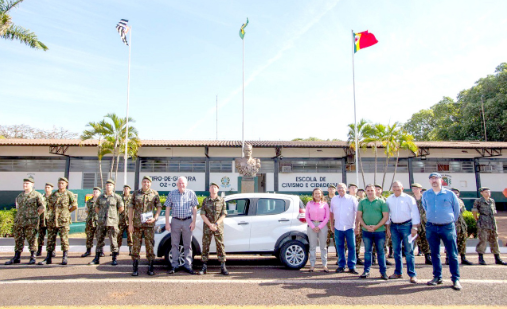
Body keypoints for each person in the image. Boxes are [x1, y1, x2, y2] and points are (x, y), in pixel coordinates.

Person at [422, 172, 462, 290]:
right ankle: (437, 277)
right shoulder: (426, 194)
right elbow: (425, 207)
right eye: (432, 179)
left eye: (436, 178)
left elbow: (456, 210)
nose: (434, 180)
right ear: (429, 181)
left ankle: (455, 279)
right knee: (434, 253)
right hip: (432, 226)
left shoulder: (449, 194)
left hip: (447, 227)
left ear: (441, 180)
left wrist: (449, 220)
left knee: (452, 254)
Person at [5, 177, 45, 265]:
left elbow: (42, 207)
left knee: (32, 239)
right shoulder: (20, 196)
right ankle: (17, 257)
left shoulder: (36, 195)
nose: (25, 185)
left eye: (27, 183)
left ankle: (33, 257)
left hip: (31, 222)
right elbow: (18, 207)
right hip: (20, 221)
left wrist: (35, 215)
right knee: (18, 239)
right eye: (24, 183)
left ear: (32, 185)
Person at [386, 181, 420, 283]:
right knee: (396, 251)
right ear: (392, 188)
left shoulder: (409, 198)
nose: (396, 188)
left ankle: (412, 274)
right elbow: (388, 214)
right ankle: (398, 272)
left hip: (407, 226)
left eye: (398, 186)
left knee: (409, 252)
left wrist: (414, 227)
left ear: (402, 188)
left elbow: (415, 212)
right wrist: (387, 227)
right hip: (394, 226)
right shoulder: (389, 199)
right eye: (394, 186)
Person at [38, 177, 77, 266]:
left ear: (66, 184)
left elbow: (74, 205)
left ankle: (65, 257)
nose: (60, 185)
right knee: (50, 239)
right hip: (53, 220)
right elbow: (49, 206)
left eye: (62, 183)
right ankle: (48, 258)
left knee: (64, 239)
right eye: (59, 183)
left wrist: (67, 212)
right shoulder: (54, 194)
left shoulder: (69, 194)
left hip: (63, 220)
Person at [128, 176, 162, 276]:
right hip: (137, 225)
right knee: (136, 247)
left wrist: (155, 218)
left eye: (148, 182)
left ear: (150, 184)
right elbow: (131, 209)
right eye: (144, 182)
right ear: (141, 183)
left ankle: (150, 268)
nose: (146, 184)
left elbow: (159, 207)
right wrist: (130, 224)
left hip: (149, 225)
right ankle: (135, 269)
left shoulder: (154, 194)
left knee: (150, 246)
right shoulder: (135, 193)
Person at [165, 176, 199, 275]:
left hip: (188, 221)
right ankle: (174, 265)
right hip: (175, 221)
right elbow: (167, 208)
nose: (181, 185)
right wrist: (167, 223)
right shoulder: (172, 193)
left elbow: (195, 208)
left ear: (186, 184)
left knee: (188, 245)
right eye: (180, 183)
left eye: (183, 183)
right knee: (174, 244)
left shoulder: (191, 193)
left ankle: (188, 265)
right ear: (177, 184)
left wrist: (193, 222)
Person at [357, 184, 389, 280]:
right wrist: (365, 226)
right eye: (368, 190)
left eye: (372, 190)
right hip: (366, 231)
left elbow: (385, 217)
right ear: (366, 191)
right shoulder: (362, 202)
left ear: (375, 191)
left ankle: (383, 272)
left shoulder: (382, 202)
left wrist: (376, 227)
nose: (370, 192)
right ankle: (366, 271)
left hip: (379, 231)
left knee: (380, 252)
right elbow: (359, 216)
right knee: (367, 252)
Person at [89, 179, 124, 266]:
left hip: (112, 222)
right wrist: (101, 215)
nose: (108, 186)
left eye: (110, 185)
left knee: (113, 240)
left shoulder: (117, 197)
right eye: (107, 185)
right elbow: (96, 208)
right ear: (105, 186)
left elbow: (121, 208)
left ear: (113, 187)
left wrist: (113, 216)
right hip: (101, 222)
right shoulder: (100, 197)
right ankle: (97, 258)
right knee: (99, 240)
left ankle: (114, 258)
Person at [199, 183, 228, 275]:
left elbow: (223, 214)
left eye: (215, 187)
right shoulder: (205, 200)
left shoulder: (222, 200)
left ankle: (223, 266)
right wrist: (210, 224)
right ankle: (204, 267)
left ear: (218, 190)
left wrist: (215, 224)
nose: (213, 189)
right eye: (212, 187)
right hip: (207, 226)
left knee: (220, 245)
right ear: (209, 190)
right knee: (205, 245)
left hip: (218, 227)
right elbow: (202, 214)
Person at [473, 187, 507, 266]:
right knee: (483, 240)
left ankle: (497, 258)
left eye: (489, 192)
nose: (488, 194)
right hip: (483, 222)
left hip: (492, 222)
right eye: (486, 192)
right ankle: (481, 258)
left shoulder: (492, 201)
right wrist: (477, 219)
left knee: (494, 240)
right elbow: (474, 211)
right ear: (482, 193)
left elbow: (494, 211)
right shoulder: (478, 201)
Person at [330, 183, 358, 274]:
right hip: (338, 227)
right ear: (337, 190)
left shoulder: (352, 199)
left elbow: (358, 213)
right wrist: (331, 224)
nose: (340, 189)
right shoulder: (334, 199)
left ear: (346, 189)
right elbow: (331, 213)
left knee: (351, 247)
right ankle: (341, 266)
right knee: (339, 247)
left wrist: (357, 226)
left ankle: (352, 266)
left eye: (342, 188)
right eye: (338, 188)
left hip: (350, 227)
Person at [306, 188, 330, 272]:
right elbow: (307, 216)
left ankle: (324, 265)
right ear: (313, 195)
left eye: (319, 193)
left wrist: (319, 226)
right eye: (315, 193)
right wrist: (313, 226)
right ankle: (312, 265)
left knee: (323, 247)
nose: (317, 195)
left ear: (321, 194)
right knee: (312, 247)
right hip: (312, 225)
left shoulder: (325, 204)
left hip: (322, 226)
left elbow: (327, 217)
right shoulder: (309, 204)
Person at [450, 188, 473, 265]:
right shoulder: (447, 201)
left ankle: (463, 258)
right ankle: (448, 258)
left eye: (457, 193)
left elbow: (463, 211)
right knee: (451, 241)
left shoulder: (460, 201)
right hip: (452, 223)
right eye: (454, 193)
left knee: (462, 240)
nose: (456, 194)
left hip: (461, 223)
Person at [411, 183, 432, 265]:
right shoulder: (411, 199)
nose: (414, 190)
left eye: (416, 188)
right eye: (413, 188)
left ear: (420, 189)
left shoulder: (425, 199)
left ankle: (427, 257)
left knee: (426, 240)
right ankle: (410, 259)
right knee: (412, 240)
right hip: (414, 222)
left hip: (424, 222)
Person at [81, 187, 101, 258]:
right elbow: (86, 210)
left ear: (99, 193)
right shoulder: (89, 201)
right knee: (89, 236)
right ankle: (88, 251)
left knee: (99, 236)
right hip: (90, 221)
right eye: (94, 192)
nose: (95, 193)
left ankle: (100, 251)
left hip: (98, 221)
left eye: (96, 192)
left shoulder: (101, 201)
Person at [36, 183, 53, 257]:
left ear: (52, 188)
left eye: (48, 187)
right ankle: (39, 251)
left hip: (50, 220)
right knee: (40, 236)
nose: (47, 189)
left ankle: (52, 251)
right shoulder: (42, 197)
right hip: (42, 220)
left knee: (51, 236)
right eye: (46, 187)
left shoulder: (53, 197)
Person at [118, 184, 133, 256]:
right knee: (119, 235)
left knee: (130, 235)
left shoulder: (132, 198)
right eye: (125, 188)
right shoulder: (120, 198)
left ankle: (131, 250)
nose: (126, 190)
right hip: (121, 219)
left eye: (127, 189)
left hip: (129, 219)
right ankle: (116, 250)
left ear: (129, 190)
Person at [324, 185, 338, 260]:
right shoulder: (324, 199)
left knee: (337, 237)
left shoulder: (338, 198)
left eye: (333, 189)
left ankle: (338, 253)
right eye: (330, 189)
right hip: (327, 221)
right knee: (326, 237)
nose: (331, 190)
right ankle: (325, 253)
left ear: (335, 190)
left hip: (336, 220)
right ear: (328, 190)